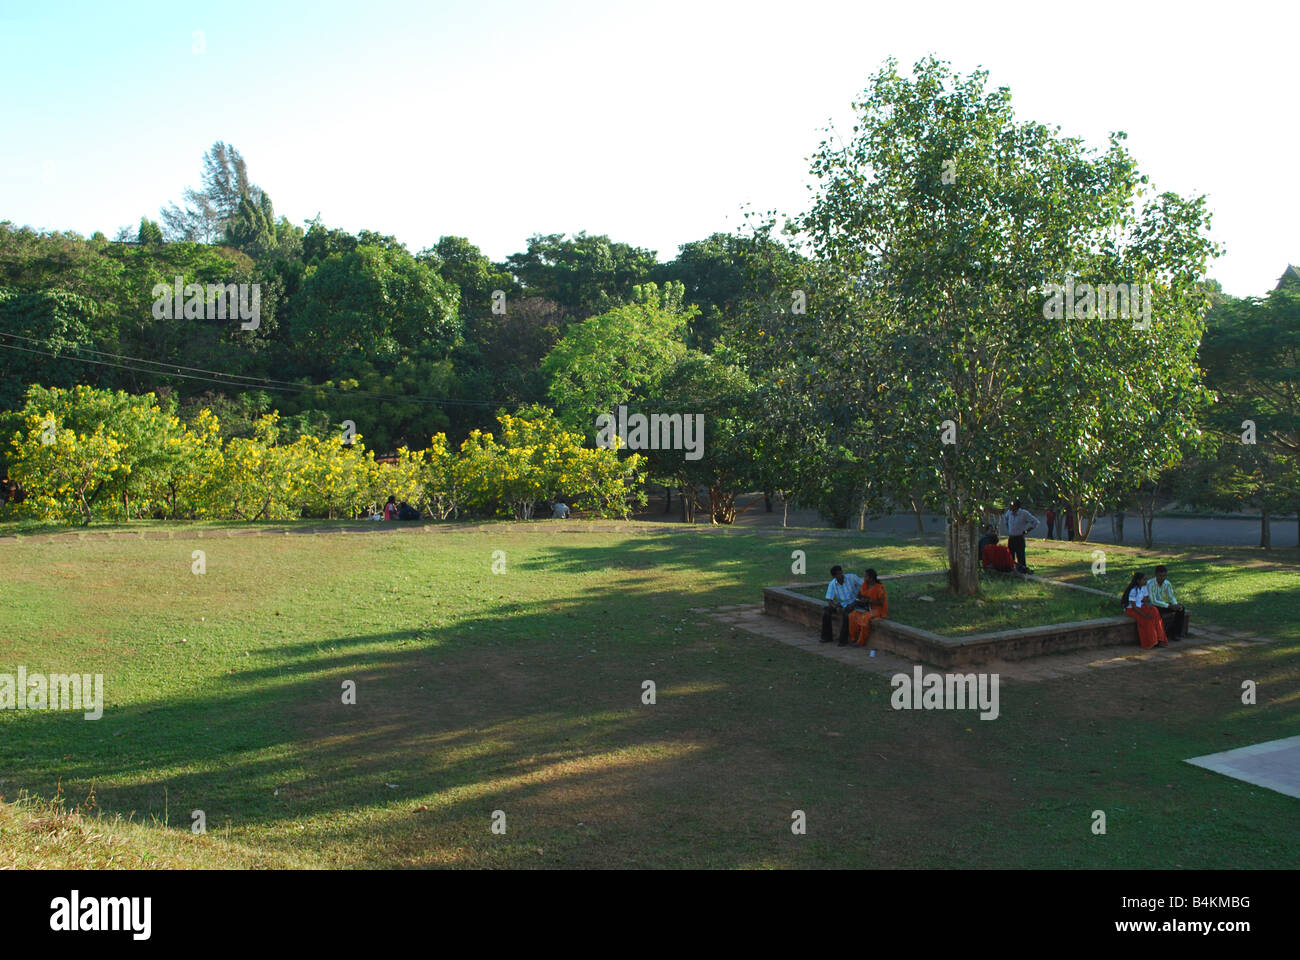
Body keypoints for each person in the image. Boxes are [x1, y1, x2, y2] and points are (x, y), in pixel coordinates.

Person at [1122, 570, 1168, 649]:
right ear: (1138, 581)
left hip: (1141, 606)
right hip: (1132, 609)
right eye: (1144, 579)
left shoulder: (1144, 587)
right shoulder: (1133, 590)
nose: (1146, 581)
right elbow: (1134, 606)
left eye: (1146, 579)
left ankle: (1160, 639)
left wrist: (1149, 604)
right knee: (1147, 620)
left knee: (1155, 611)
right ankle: (1150, 642)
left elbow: (1145, 599)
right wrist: (1145, 615)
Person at [821, 565, 864, 645]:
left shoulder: (852, 577)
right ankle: (826, 637)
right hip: (842, 604)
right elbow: (829, 599)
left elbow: (864, 585)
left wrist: (859, 597)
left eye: (841, 573)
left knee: (846, 614)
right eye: (837, 574)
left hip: (855, 602)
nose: (840, 576)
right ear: (834, 576)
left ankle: (843, 640)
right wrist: (835, 607)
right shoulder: (832, 584)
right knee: (826, 611)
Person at [848, 568, 888, 646]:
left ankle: (861, 642)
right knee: (852, 615)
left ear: (871, 578)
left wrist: (869, 601)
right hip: (865, 608)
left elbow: (881, 603)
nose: (864, 578)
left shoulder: (879, 588)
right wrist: (861, 599)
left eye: (866, 576)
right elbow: (859, 595)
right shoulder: (864, 585)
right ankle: (853, 638)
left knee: (865, 618)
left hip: (877, 609)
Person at [1148, 565, 1189, 640]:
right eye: (1160, 576)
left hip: (1163, 605)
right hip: (1152, 606)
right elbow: (1153, 601)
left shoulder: (1167, 583)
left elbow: (1171, 596)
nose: (1162, 578)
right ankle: (1159, 635)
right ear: (1156, 575)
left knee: (1181, 608)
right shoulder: (1150, 584)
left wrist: (1175, 604)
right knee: (1157, 612)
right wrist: (1169, 606)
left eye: (1164, 576)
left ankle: (1176, 633)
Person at [1002, 500, 1039, 573]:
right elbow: (1005, 520)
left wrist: (1026, 531)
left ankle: (1022, 571)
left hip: (1019, 537)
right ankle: (1012, 571)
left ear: (1016, 506)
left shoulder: (1023, 513)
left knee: (1021, 556)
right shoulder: (1009, 513)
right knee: (1010, 557)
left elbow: (1035, 522)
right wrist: (1009, 529)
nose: (1010, 507)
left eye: (1012, 505)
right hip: (1011, 537)